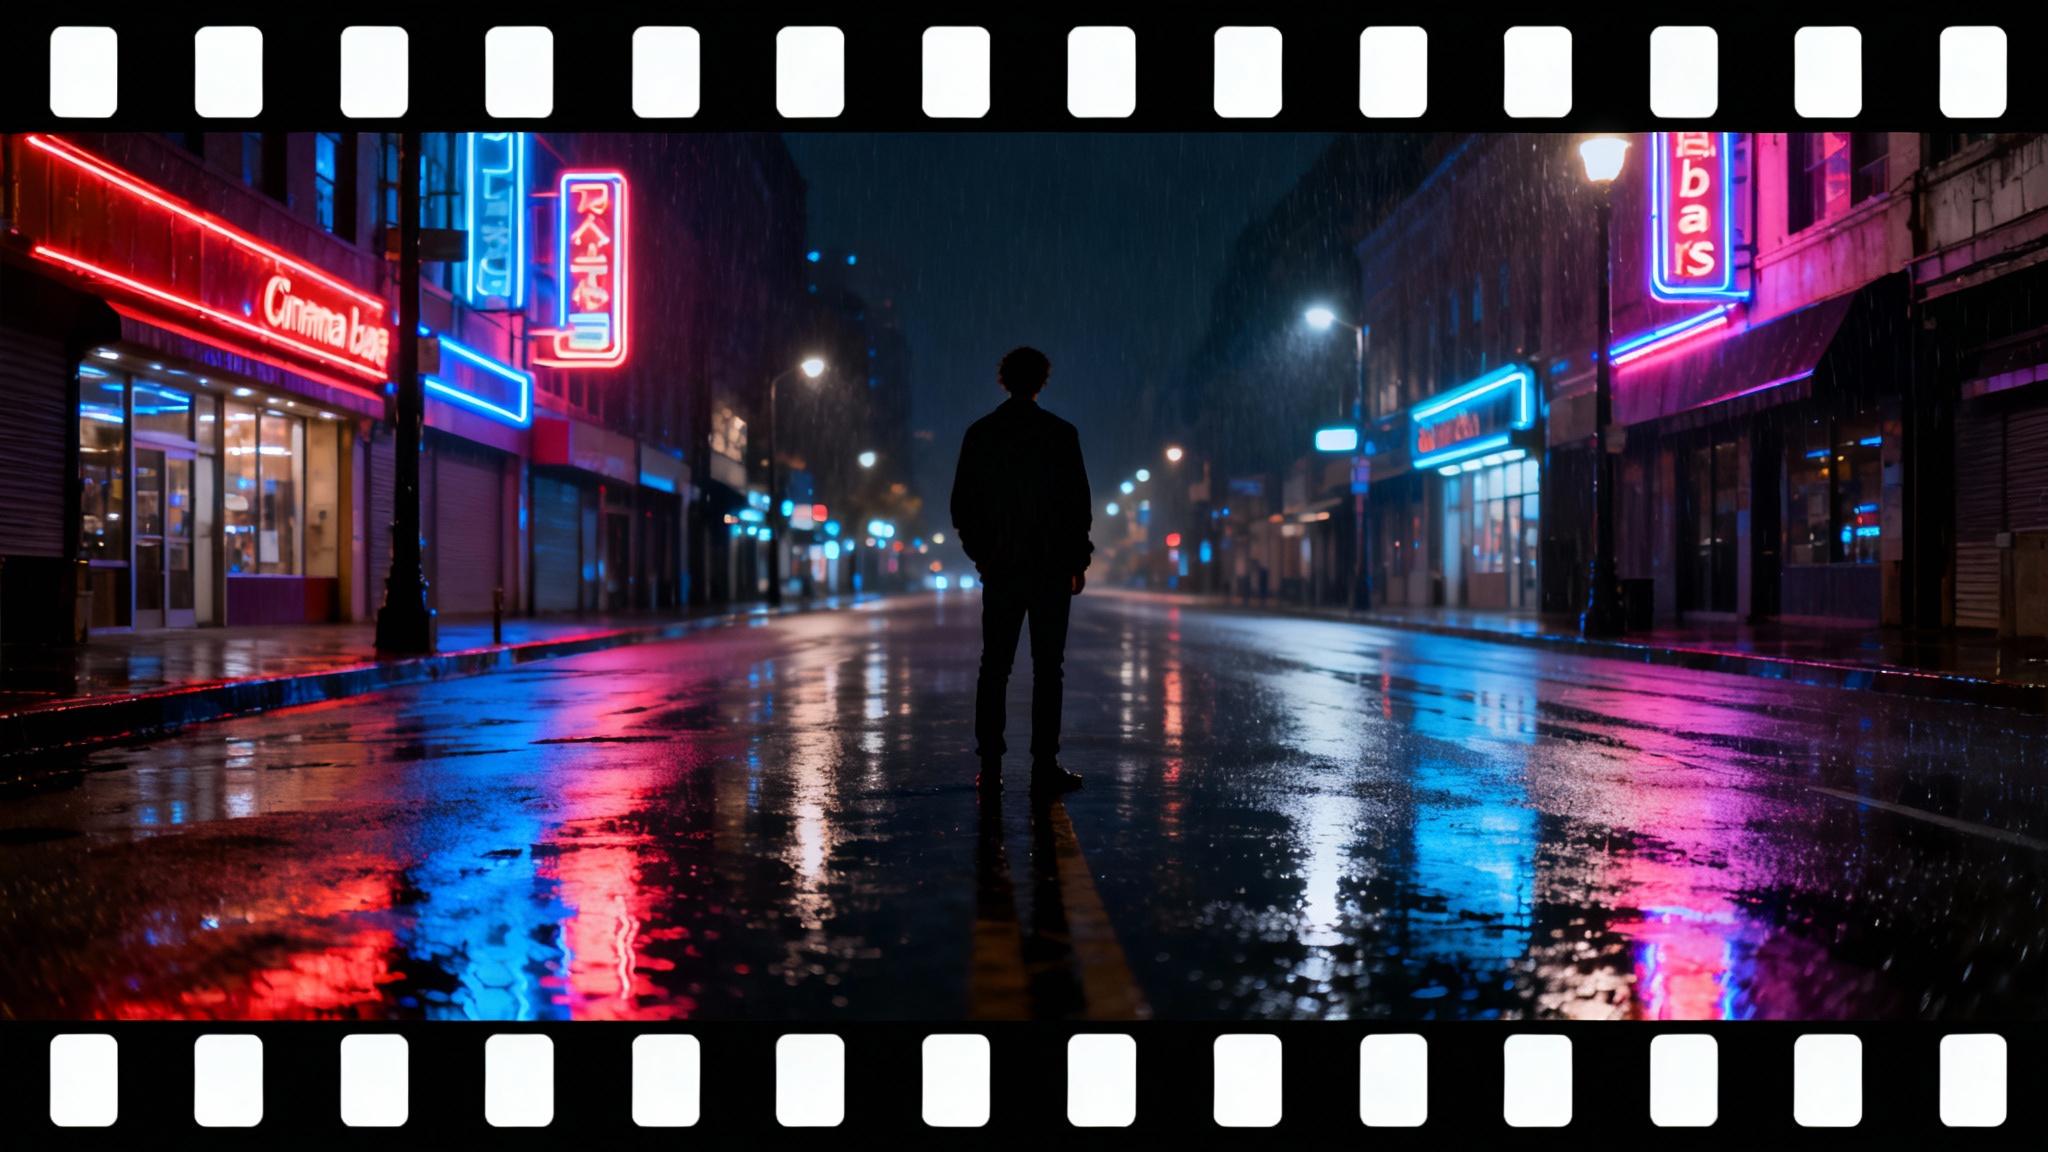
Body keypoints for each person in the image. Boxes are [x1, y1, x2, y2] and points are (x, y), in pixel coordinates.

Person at [950, 347, 1092, 795]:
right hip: (1049, 570)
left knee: (995, 666)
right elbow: (1077, 508)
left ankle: (990, 765)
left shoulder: (982, 434)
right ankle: (1043, 766)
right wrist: (1076, 562)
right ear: (1042, 382)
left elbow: (962, 507)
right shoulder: (1061, 434)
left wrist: (984, 555)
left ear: (1003, 380)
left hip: (1004, 569)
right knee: (1049, 669)